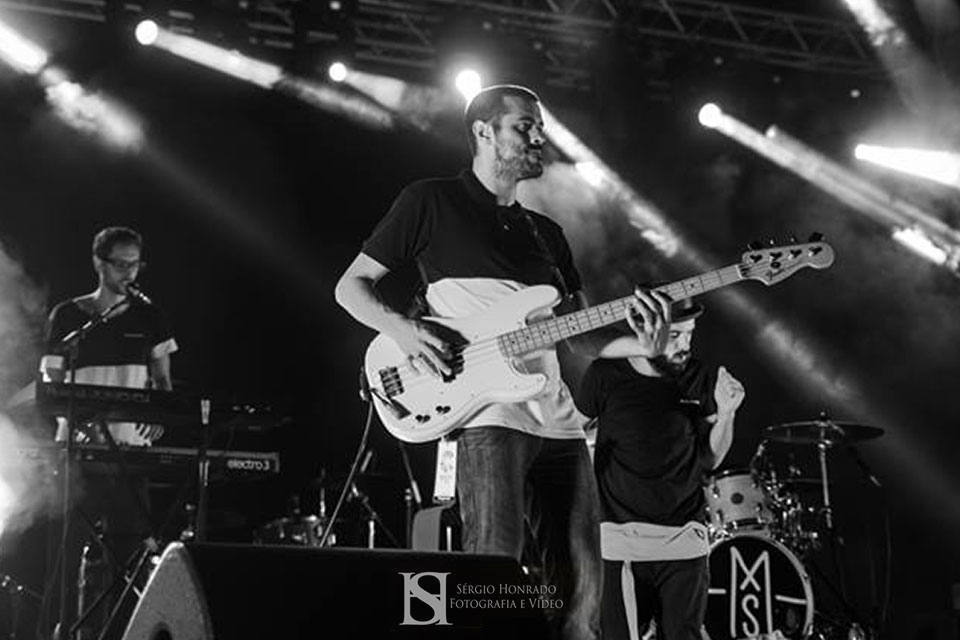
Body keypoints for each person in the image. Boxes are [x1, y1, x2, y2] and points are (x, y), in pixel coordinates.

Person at [334, 84, 672, 640]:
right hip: (488, 413)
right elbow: (352, 287)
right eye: (525, 126)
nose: (539, 137)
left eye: (539, 127)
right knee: (491, 568)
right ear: (483, 132)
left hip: (558, 420)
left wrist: (646, 347)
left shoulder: (548, 235)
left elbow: (578, 337)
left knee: (585, 587)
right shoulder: (430, 201)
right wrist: (406, 330)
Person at [575, 300, 745, 640]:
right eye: (675, 336)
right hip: (622, 543)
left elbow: (709, 460)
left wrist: (727, 415)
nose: (685, 346)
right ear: (643, 331)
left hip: (685, 542)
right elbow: (572, 434)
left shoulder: (696, 375)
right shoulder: (605, 375)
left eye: (690, 335)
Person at [42, 226, 177, 639]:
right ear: (99, 263)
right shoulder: (68, 316)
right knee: (65, 556)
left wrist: (158, 413)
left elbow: (163, 382)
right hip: (77, 452)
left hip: (129, 455)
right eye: (121, 264)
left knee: (128, 557)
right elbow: (50, 380)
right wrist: (81, 420)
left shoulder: (150, 317)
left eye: (136, 264)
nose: (130, 273)